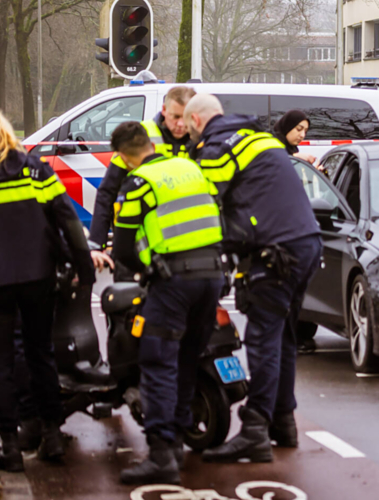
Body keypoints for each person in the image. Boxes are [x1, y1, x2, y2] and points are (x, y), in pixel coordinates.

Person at [0, 107, 95, 471]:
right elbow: (67, 219)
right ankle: (51, 435)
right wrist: (83, 266)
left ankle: (10, 447)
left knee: (2, 363)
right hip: (39, 279)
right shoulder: (36, 171)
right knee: (41, 355)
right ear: (10, 134)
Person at [184, 93, 322, 463]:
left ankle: (256, 429)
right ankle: (283, 421)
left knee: (262, 339)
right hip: (307, 244)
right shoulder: (257, 137)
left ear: (196, 121)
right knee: (283, 336)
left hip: (275, 253)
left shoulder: (217, 149)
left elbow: (206, 204)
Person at [108, 122, 226, 485]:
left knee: (158, 362)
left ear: (123, 156)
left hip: (173, 281)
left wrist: (148, 269)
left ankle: (162, 454)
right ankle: (176, 438)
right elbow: (219, 211)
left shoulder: (139, 183)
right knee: (187, 359)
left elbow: (123, 247)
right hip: (212, 276)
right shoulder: (191, 168)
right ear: (150, 143)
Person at [89, 85, 198, 274]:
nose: (181, 124)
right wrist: (97, 244)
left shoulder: (200, 139)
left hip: (185, 244)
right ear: (164, 110)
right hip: (138, 245)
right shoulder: (140, 135)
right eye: (175, 116)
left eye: (186, 117)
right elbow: (107, 192)